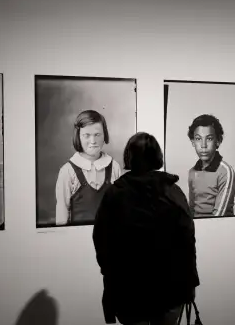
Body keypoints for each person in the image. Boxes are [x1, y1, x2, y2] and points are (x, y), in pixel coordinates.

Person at [93, 132, 200, 325]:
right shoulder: (172, 192)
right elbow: (187, 241)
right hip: (170, 288)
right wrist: (190, 283)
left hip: (128, 291)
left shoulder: (115, 195)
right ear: (157, 156)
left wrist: (110, 275)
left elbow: (101, 242)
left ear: (129, 157)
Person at [55, 110, 121, 225]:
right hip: (77, 239)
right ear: (78, 136)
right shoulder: (67, 171)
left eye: (97, 135)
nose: (93, 141)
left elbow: (121, 209)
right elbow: (62, 212)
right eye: (86, 135)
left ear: (104, 134)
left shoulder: (114, 167)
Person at [187, 114, 235, 217]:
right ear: (192, 142)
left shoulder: (225, 171)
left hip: (219, 228)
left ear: (218, 141)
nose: (203, 145)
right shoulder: (192, 172)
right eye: (198, 139)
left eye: (209, 139)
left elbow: (219, 215)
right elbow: (191, 210)